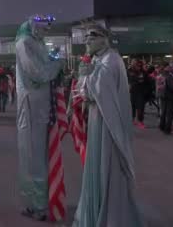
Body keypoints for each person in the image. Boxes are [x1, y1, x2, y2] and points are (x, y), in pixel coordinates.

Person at [72, 23, 144, 227]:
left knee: (108, 165)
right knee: (97, 163)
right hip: (98, 118)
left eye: (92, 37)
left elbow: (96, 90)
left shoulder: (111, 59)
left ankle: (111, 216)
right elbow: (84, 89)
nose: (87, 40)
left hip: (109, 123)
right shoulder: (98, 59)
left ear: (104, 39)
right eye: (86, 37)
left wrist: (86, 76)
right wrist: (85, 75)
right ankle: (95, 211)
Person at [15, 16, 62, 221]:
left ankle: (40, 204)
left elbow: (42, 69)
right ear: (34, 27)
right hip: (31, 104)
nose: (45, 32)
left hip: (39, 105)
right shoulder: (24, 43)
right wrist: (56, 65)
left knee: (36, 153)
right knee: (32, 153)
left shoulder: (37, 43)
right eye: (42, 28)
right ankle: (37, 203)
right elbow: (37, 73)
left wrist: (52, 59)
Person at [160, 62, 173, 135]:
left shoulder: (160, 75)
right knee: (170, 113)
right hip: (170, 96)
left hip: (162, 95)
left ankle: (162, 126)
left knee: (164, 112)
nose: (171, 68)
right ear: (166, 67)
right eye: (169, 67)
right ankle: (167, 129)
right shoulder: (169, 76)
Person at [128, 60, 147, 128]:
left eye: (138, 65)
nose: (137, 66)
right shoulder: (129, 71)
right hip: (132, 92)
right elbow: (127, 79)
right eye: (135, 64)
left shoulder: (143, 72)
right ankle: (132, 119)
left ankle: (140, 121)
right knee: (132, 106)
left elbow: (145, 80)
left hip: (140, 92)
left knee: (140, 107)